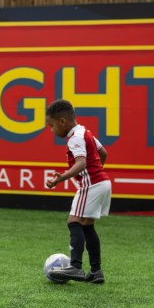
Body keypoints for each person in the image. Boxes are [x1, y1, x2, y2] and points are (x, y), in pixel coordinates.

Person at [44, 99, 111, 283]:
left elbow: (81, 163)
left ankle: (75, 267)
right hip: (103, 182)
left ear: (62, 122)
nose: (51, 130)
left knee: (73, 221)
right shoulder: (85, 132)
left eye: (52, 125)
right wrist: (96, 172)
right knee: (87, 225)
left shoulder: (74, 138)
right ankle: (96, 271)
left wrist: (61, 178)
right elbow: (103, 153)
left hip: (93, 185)